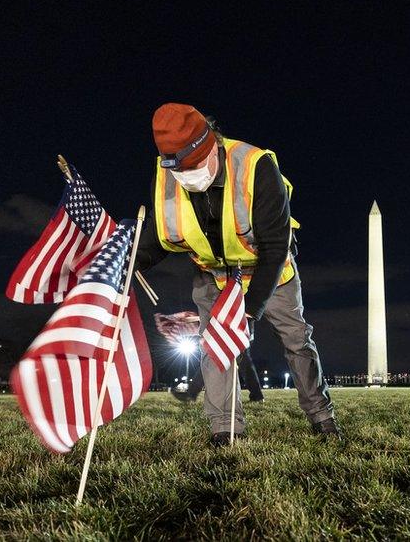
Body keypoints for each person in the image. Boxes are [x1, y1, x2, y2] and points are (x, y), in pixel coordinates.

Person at [135, 103, 339, 446]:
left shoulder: (255, 167)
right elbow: (162, 236)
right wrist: (131, 261)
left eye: (196, 166)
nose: (188, 177)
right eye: (180, 170)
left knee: (297, 342)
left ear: (212, 145)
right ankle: (225, 430)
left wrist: (249, 309)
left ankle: (322, 416)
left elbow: (275, 248)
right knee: (215, 348)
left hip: (269, 273)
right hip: (213, 277)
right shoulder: (169, 174)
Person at [154, 312, 265, 403]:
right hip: (231, 324)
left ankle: (191, 394)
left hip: (240, 326)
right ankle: (191, 393)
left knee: (239, 360)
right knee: (214, 357)